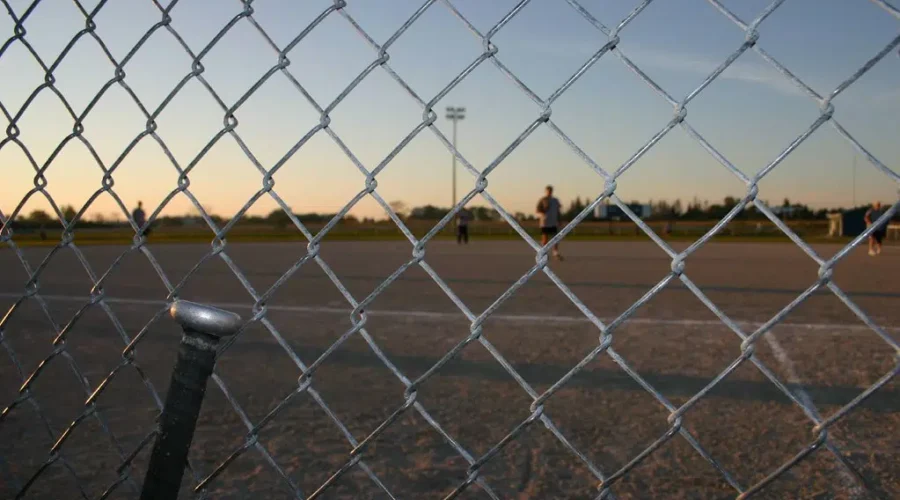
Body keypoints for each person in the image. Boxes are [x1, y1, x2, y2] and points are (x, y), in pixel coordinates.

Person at [536, 185, 563, 261]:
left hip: (553, 222)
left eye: (551, 190)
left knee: (555, 238)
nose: (550, 192)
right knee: (545, 238)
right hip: (545, 222)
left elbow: (558, 211)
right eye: (548, 190)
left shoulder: (555, 200)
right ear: (546, 191)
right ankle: (543, 253)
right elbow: (537, 210)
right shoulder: (543, 200)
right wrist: (544, 211)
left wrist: (559, 219)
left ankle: (555, 253)